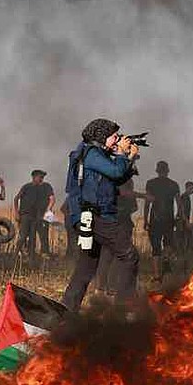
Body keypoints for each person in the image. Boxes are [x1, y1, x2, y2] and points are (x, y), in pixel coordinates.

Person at [62, 118, 139, 312]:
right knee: (129, 255)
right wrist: (121, 153)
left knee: (86, 268)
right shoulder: (92, 154)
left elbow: (118, 177)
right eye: (114, 137)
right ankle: (122, 310)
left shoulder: (91, 152)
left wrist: (129, 158)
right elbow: (114, 172)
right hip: (96, 217)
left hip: (90, 216)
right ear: (102, 136)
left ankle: (66, 311)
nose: (116, 140)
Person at [95, 178, 138, 296]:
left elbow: (134, 206)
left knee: (107, 256)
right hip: (119, 226)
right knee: (115, 257)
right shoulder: (121, 186)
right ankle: (108, 287)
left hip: (111, 225)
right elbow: (134, 206)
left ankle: (102, 287)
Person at [144, 161, 181, 282]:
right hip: (169, 219)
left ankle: (156, 276)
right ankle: (165, 261)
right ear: (168, 170)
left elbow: (147, 203)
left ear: (157, 170)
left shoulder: (151, 183)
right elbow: (179, 203)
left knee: (155, 247)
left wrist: (145, 219)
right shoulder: (174, 185)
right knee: (168, 243)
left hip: (155, 219)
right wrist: (179, 217)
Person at [14, 170, 55, 258]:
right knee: (23, 235)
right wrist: (16, 213)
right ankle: (18, 253)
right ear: (34, 177)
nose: (41, 179)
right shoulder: (26, 187)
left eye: (42, 177)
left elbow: (52, 199)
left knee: (42, 235)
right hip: (25, 215)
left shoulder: (46, 186)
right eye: (40, 177)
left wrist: (48, 211)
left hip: (40, 215)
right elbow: (16, 199)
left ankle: (40, 254)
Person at [177, 181, 193, 252]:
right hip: (182, 221)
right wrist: (186, 221)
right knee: (184, 238)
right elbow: (182, 210)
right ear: (187, 188)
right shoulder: (184, 197)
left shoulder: (186, 197)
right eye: (191, 188)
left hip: (183, 220)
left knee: (186, 237)